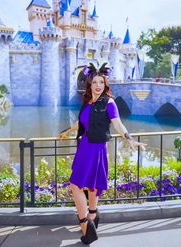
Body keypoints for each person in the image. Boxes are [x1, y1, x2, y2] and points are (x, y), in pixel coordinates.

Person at [59, 62, 146, 245]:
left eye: (101, 82)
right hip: (84, 147)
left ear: (105, 84)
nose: (98, 85)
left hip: (96, 149)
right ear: (89, 85)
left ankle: (85, 225)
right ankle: (92, 216)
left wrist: (130, 139)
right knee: (90, 186)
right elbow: (80, 123)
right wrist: (67, 131)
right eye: (94, 82)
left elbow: (118, 124)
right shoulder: (87, 102)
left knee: (76, 185)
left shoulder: (109, 103)